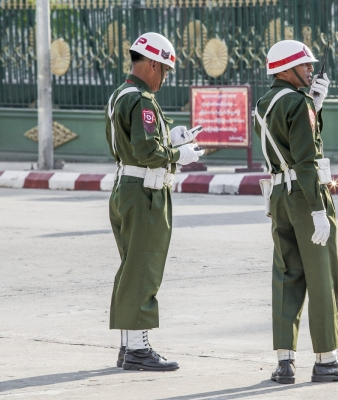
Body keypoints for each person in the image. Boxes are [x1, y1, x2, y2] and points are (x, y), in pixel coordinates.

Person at [254, 40, 338, 384]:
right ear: (284, 69)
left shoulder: (263, 103)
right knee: (322, 276)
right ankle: (327, 360)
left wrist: (315, 105)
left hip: (279, 195)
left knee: (286, 276)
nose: (311, 70)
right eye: (305, 65)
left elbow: (285, 143)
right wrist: (317, 210)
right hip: (305, 196)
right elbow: (307, 159)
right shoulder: (298, 103)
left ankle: (285, 362)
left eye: (311, 65)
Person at [105, 32, 204, 371]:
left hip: (126, 188)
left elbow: (133, 144)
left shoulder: (121, 94)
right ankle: (138, 349)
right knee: (143, 269)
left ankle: (127, 344)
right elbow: (148, 152)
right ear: (150, 64)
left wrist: (170, 137)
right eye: (164, 69)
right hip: (144, 192)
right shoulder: (142, 99)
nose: (165, 76)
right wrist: (180, 154)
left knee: (131, 267)